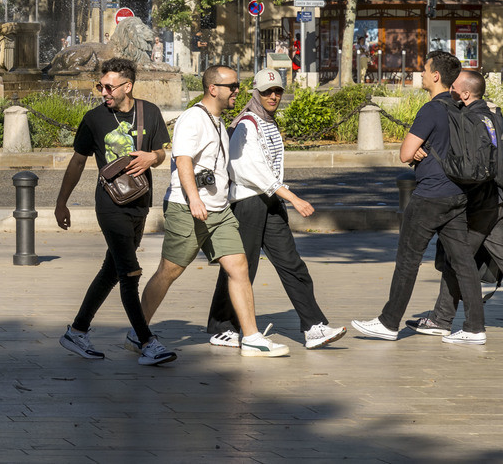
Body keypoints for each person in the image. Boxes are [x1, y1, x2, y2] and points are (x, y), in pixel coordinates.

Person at [140, 66, 290, 357]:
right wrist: (194, 199)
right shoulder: (193, 118)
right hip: (188, 209)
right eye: (232, 85)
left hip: (218, 211)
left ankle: (252, 338)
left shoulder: (218, 121)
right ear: (213, 89)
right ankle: (139, 331)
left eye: (238, 85)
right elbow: (182, 159)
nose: (237, 90)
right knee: (168, 271)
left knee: (239, 267)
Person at [354, 51, 498, 343]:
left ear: (435, 76)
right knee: (463, 263)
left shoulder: (432, 109)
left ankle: (388, 323)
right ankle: (474, 328)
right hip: (458, 194)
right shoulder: (460, 108)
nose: (420, 73)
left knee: (407, 259)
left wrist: (416, 151)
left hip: (430, 195)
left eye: (424, 69)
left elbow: (406, 153)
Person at [206, 68, 344, 350]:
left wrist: (280, 195)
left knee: (292, 263)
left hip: (269, 201)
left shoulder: (267, 122)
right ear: (256, 92)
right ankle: (222, 326)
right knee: (241, 268)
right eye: (267, 91)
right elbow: (249, 170)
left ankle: (313, 326)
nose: (273, 96)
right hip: (248, 202)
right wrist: (291, 197)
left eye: (278, 91)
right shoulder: (246, 123)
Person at [55, 57, 177, 365]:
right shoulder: (94, 119)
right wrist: (61, 202)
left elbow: (162, 151)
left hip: (139, 201)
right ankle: (146, 341)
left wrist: (154, 157)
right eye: (100, 86)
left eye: (109, 87)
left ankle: (77, 330)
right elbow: (78, 162)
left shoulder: (150, 112)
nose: (103, 92)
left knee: (112, 270)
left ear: (128, 86)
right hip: (109, 205)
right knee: (129, 272)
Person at [409, 70, 503, 336]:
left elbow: (463, 163)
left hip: (478, 203)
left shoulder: (467, 118)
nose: (449, 90)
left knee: (458, 260)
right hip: (497, 199)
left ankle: (444, 321)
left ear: (464, 94)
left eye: (454, 87)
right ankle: (442, 318)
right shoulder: (493, 115)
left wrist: (427, 155)